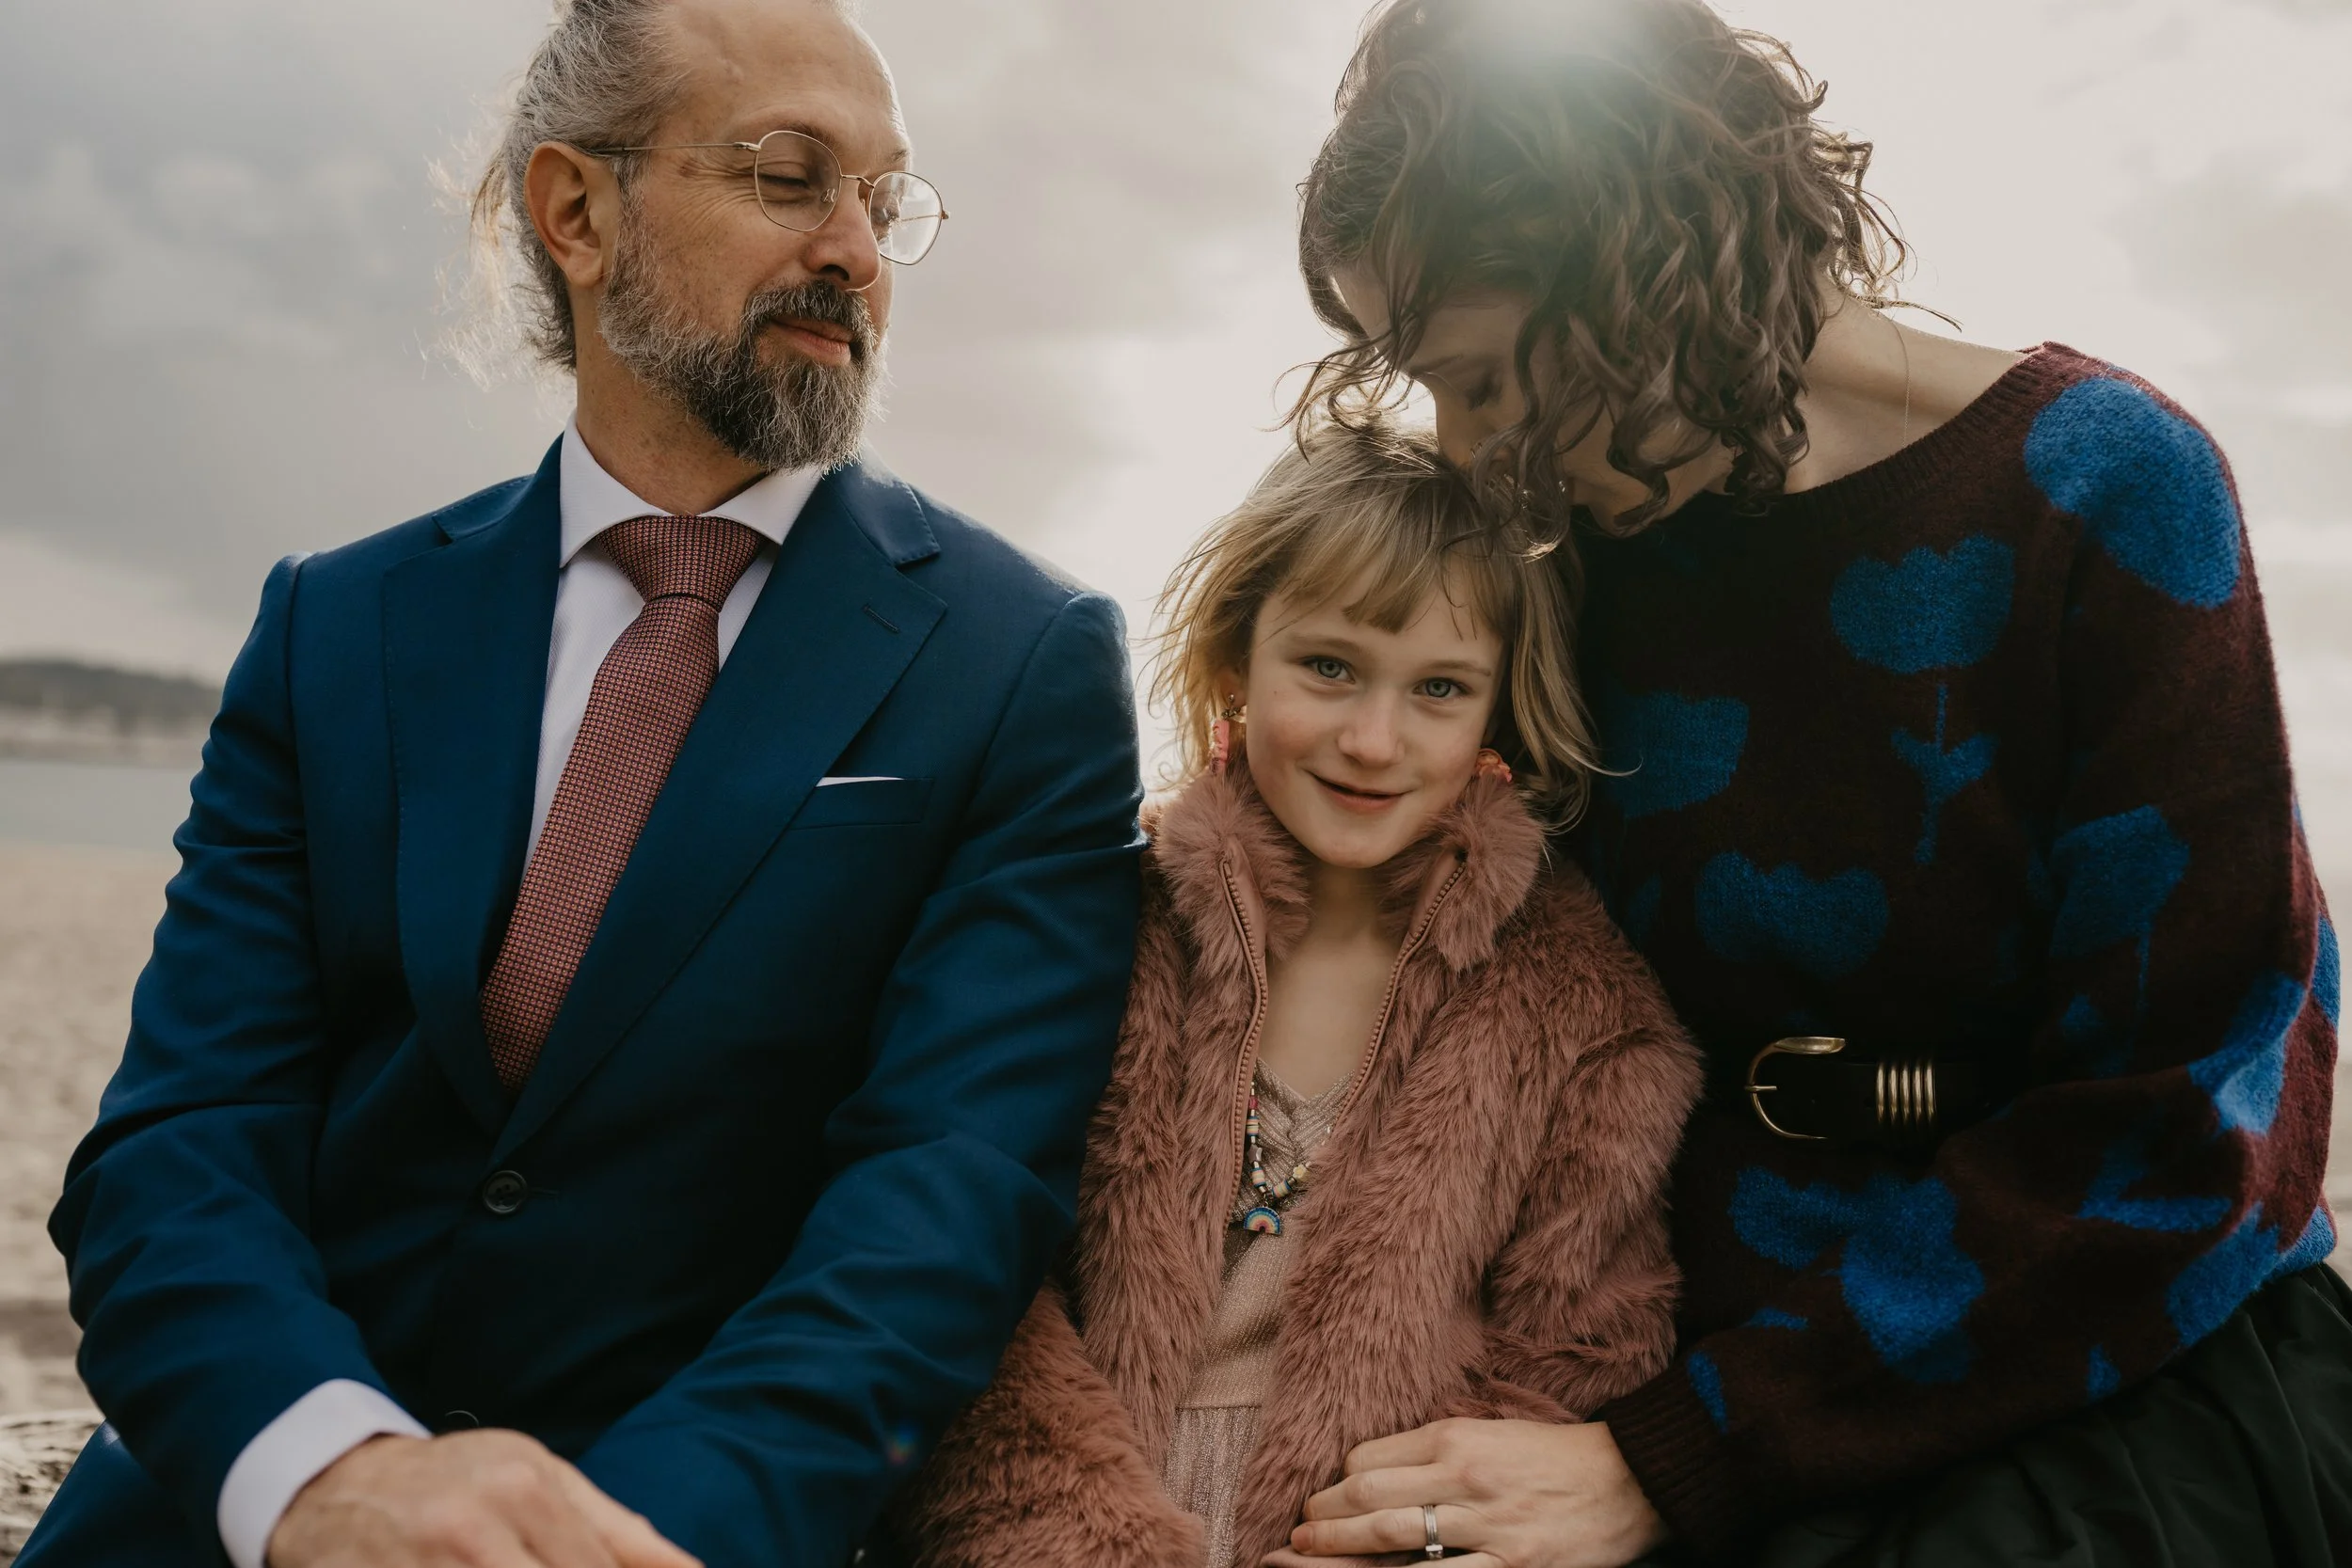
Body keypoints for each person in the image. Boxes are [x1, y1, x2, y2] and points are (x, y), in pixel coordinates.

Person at [17, 2, 1143, 1565]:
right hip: (243, 1510)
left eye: (884, 201)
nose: (854, 249)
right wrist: (328, 1473)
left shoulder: (1023, 663)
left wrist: (598, 1546)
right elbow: (182, 1136)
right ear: (576, 210)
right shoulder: (337, 623)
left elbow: (940, 1208)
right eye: (790, 175)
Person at [1275, 1, 2352, 1564]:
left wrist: (1674, 1459)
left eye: (1486, 378)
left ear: (1636, 263)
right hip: (1647, 1337)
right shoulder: (1572, 551)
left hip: (2099, 1359)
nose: (1459, 445)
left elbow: (2194, 1119)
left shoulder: (2107, 484)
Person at [896, 418, 1704, 1568]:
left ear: (1495, 712)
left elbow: (1579, 1356)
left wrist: (1397, 1546)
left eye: (1439, 687)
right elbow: (968, 1276)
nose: (1372, 739)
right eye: (1328, 666)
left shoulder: (1582, 1013)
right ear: (1237, 659)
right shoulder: (1098, 925)